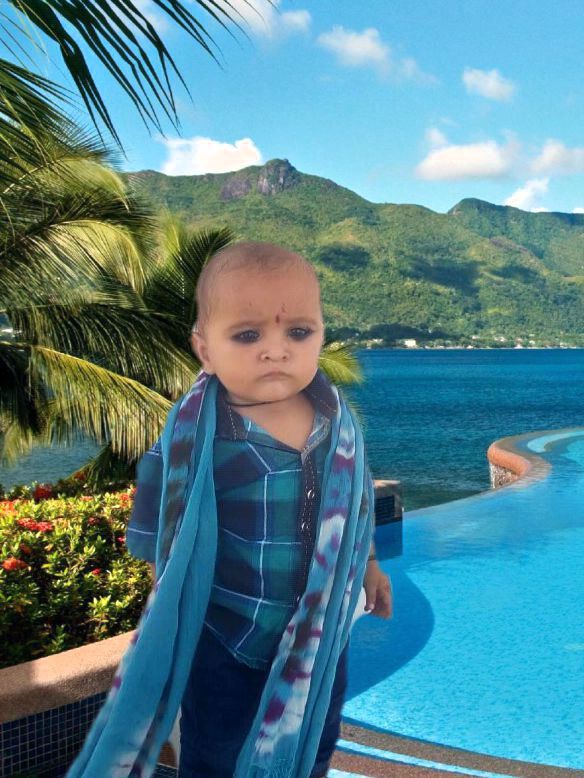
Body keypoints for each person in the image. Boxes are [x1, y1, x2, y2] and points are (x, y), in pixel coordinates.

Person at [68, 241, 392, 778]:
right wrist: (166, 606)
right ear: (205, 348)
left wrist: (372, 567)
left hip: (318, 642)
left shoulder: (339, 426)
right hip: (228, 639)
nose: (276, 350)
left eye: (298, 332)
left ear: (321, 335)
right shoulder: (201, 438)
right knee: (216, 755)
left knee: (313, 746)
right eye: (247, 335)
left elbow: (354, 509)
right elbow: (160, 530)